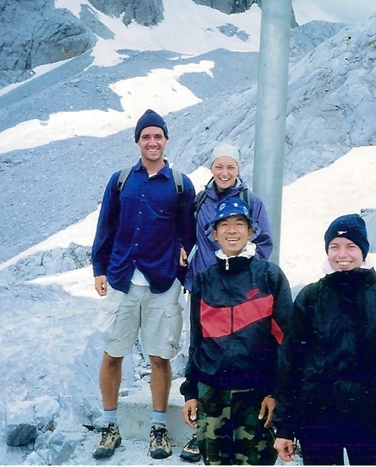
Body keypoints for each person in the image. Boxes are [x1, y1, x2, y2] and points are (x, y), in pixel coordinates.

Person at [273, 214, 376, 466]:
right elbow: (290, 364)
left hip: (374, 422)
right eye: (334, 246)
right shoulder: (311, 297)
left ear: (363, 251)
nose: (342, 254)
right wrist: (284, 427)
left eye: (351, 246)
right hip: (318, 422)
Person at [90, 109, 196, 460]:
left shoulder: (180, 184)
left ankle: (159, 427)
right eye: (146, 136)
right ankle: (109, 426)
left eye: (158, 136)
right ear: (137, 141)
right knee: (113, 353)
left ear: (166, 141)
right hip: (121, 278)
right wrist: (99, 268)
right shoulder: (120, 180)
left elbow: (189, 234)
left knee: (160, 357)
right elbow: (106, 225)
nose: (152, 142)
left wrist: (183, 276)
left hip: (162, 282)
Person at [180, 198, 293, 465]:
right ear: (214, 234)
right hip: (211, 395)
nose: (232, 230)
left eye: (239, 224)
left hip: (256, 396)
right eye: (224, 225)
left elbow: (286, 343)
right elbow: (196, 340)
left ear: (251, 231)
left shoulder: (270, 276)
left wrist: (275, 393)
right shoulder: (204, 280)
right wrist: (191, 392)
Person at [182, 142, 273, 293]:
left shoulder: (251, 201)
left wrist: (248, 272)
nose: (224, 173)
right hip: (201, 284)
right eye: (219, 167)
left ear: (238, 170)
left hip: (237, 288)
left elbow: (264, 242)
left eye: (231, 167)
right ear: (211, 168)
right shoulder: (202, 199)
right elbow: (188, 234)